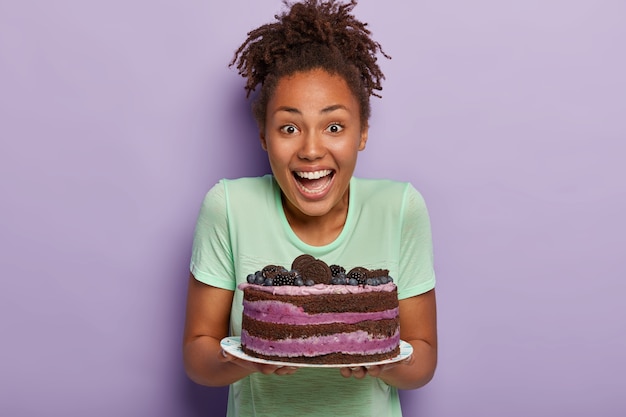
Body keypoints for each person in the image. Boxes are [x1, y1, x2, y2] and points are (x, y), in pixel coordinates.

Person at [183, 1, 437, 415]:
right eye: (289, 128)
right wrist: (242, 362)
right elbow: (198, 355)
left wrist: (380, 362)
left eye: (334, 127)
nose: (312, 149)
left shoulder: (400, 207)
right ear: (264, 136)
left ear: (363, 133)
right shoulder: (229, 206)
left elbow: (422, 360)